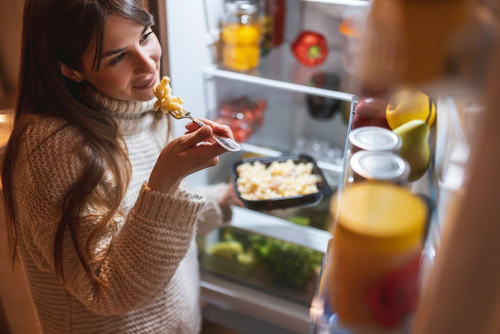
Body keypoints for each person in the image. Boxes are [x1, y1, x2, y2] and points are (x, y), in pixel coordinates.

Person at [1, 0, 241, 333]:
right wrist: (166, 181)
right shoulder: (49, 149)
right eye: (117, 57)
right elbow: (110, 289)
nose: (148, 66)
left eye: (145, 36)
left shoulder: (144, 109)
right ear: (70, 69)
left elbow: (141, 227)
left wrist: (225, 196)